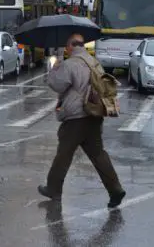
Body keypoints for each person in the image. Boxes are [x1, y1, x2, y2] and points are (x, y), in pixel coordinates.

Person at [38, 33, 126, 208]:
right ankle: (115, 189)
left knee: (64, 153)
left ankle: (53, 189)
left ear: (71, 46)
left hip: (76, 117)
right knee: (98, 154)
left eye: (67, 47)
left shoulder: (71, 64)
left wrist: (54, 68)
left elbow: (57, 85)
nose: (66, 50)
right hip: (94, 115)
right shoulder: (94, 63)